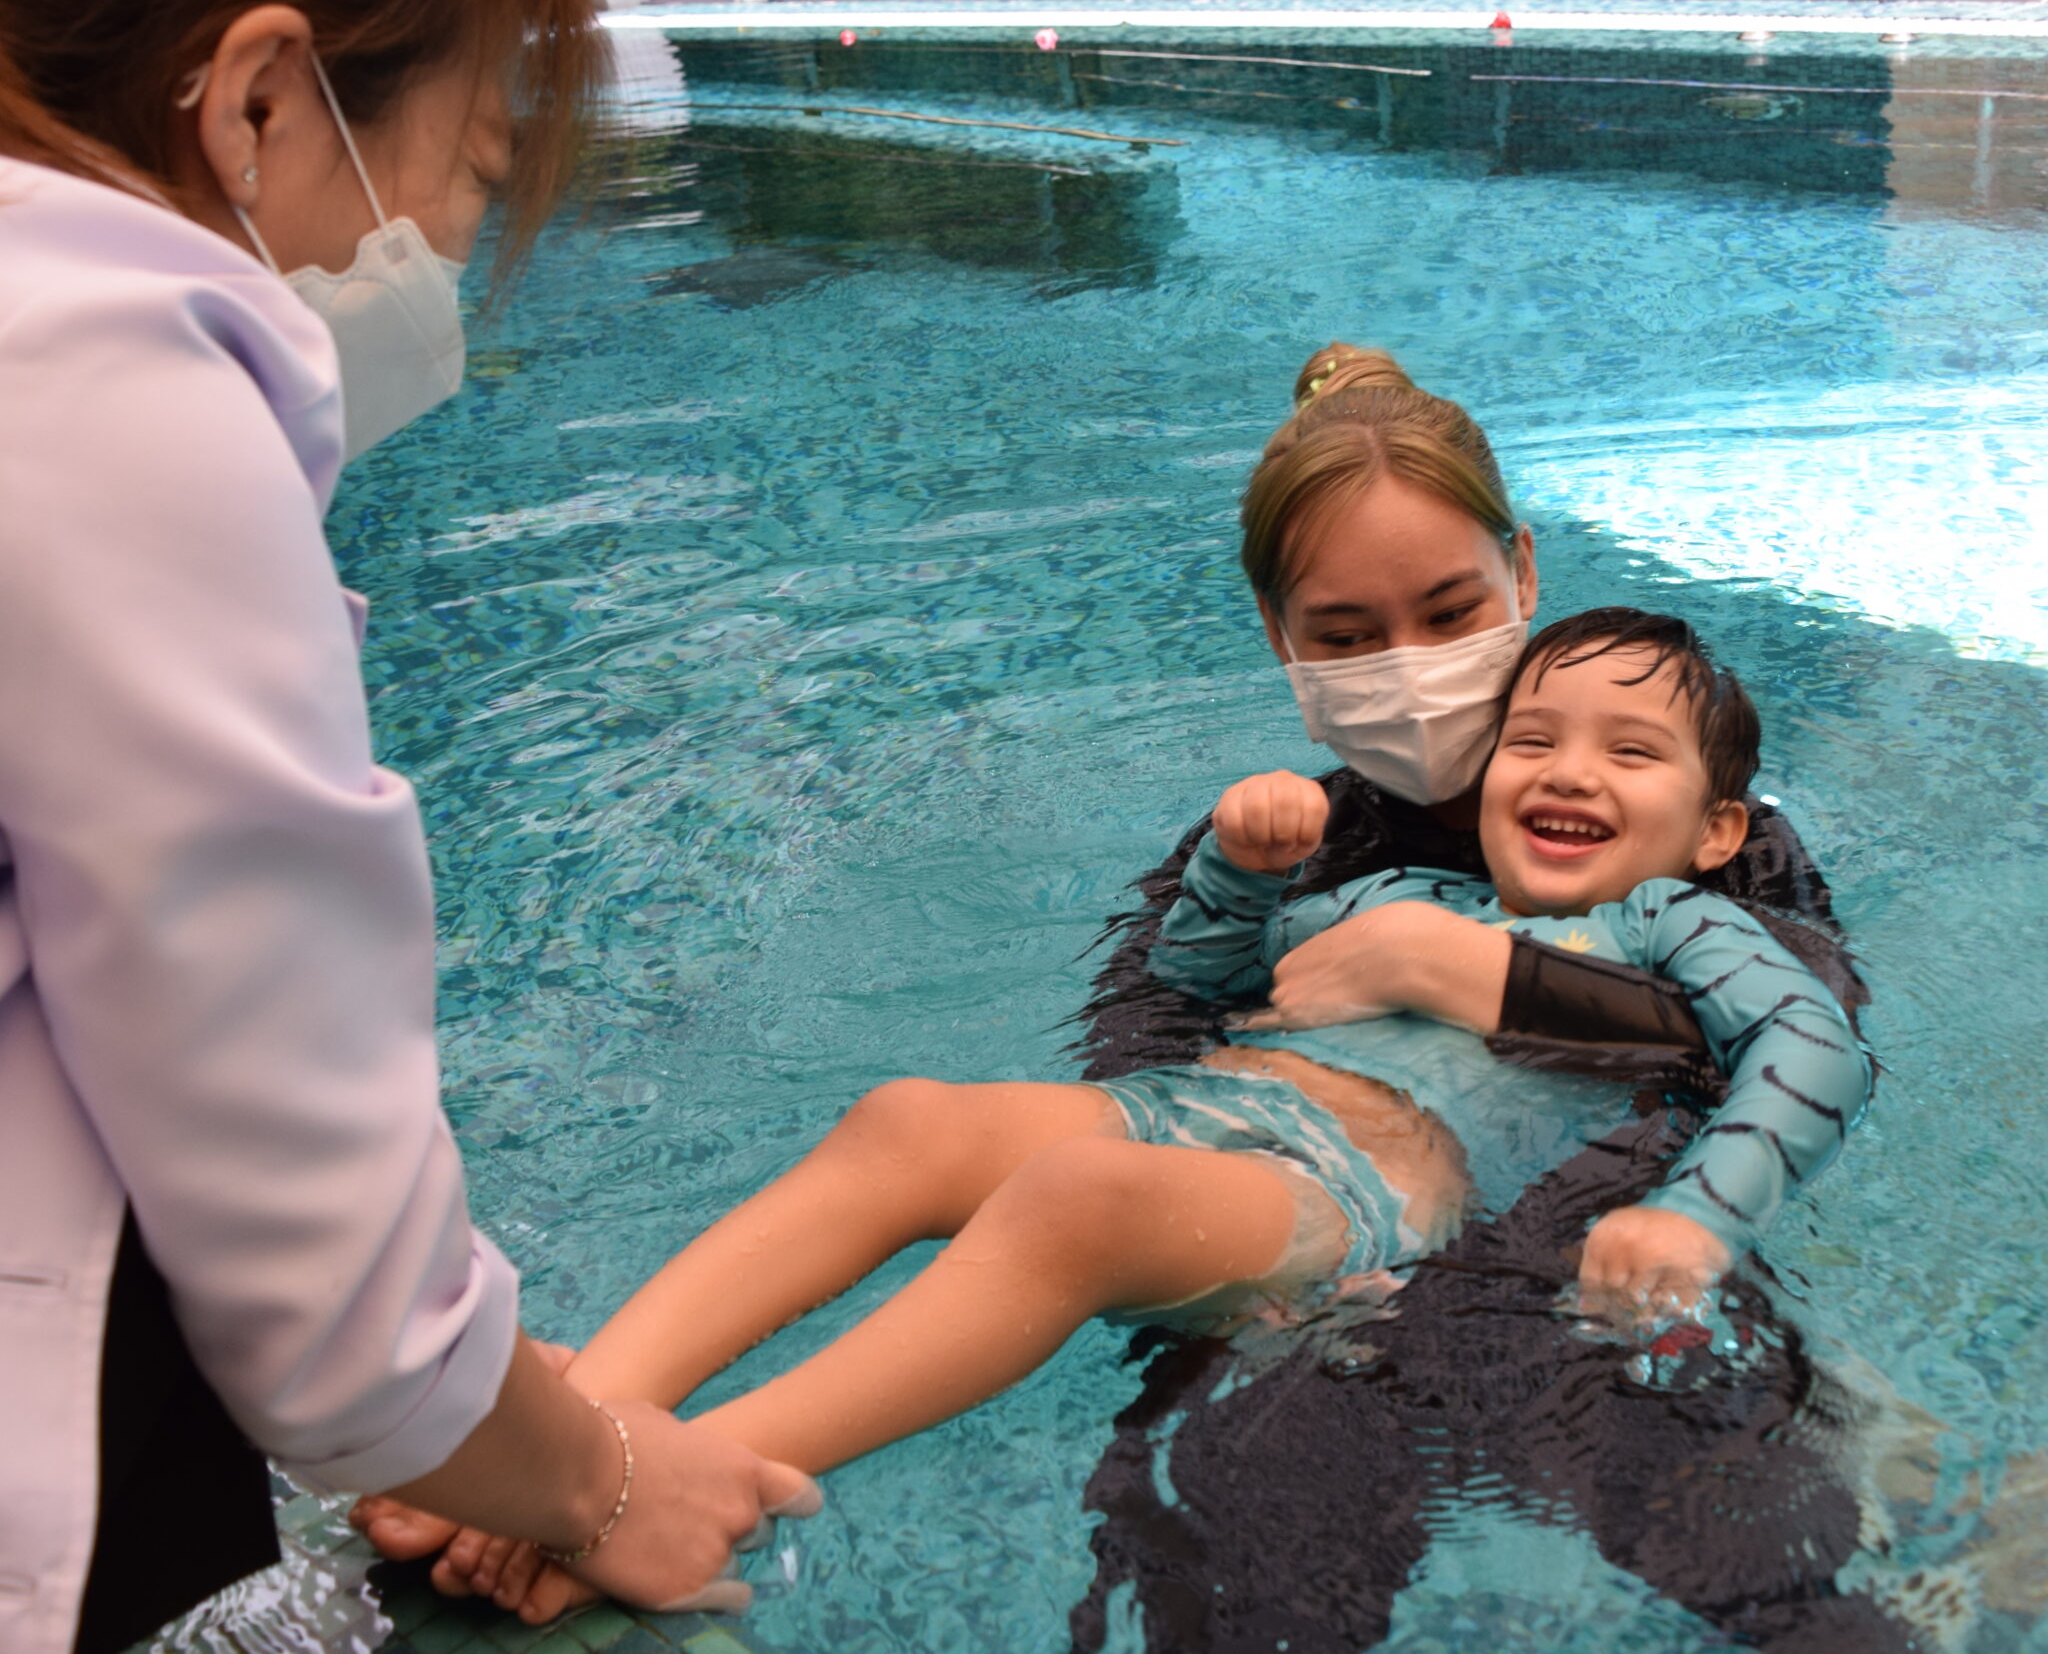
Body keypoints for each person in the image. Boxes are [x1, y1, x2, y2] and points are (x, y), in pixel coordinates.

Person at [398, 604, 1875, 1626]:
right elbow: (1210, 978)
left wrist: (1693, 1211)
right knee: (911, 1120)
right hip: (1197, 1107)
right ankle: (584, 1428)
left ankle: (677, 1487)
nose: (1567, 771)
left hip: (1353, 1196)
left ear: (1720, 826)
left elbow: (1810, 1047)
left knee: (1069, 1212)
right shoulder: (1399, 888)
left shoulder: (1675, 927)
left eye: (1631, 753)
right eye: (1535, 739)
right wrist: (1242, 869)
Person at [0, 0, 813, 1652]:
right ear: (264, 101)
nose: (448, 239)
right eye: (470, 161)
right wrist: (605, 1479)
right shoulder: (103, 373)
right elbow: (337, 1308)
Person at [1065, 345, 1909, 1654]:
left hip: (1595, 1275)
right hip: (1322, 1290)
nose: (1407, 668)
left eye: (1453, 614)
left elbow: (1804, 1038)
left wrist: (1463, 973)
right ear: (1280, 639)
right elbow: (1139, 1060)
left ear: (1523, 574)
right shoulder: (1261, 851)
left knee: (1784, 1593)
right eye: (1346, 638)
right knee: (1233, 1593)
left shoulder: (1692, 826)